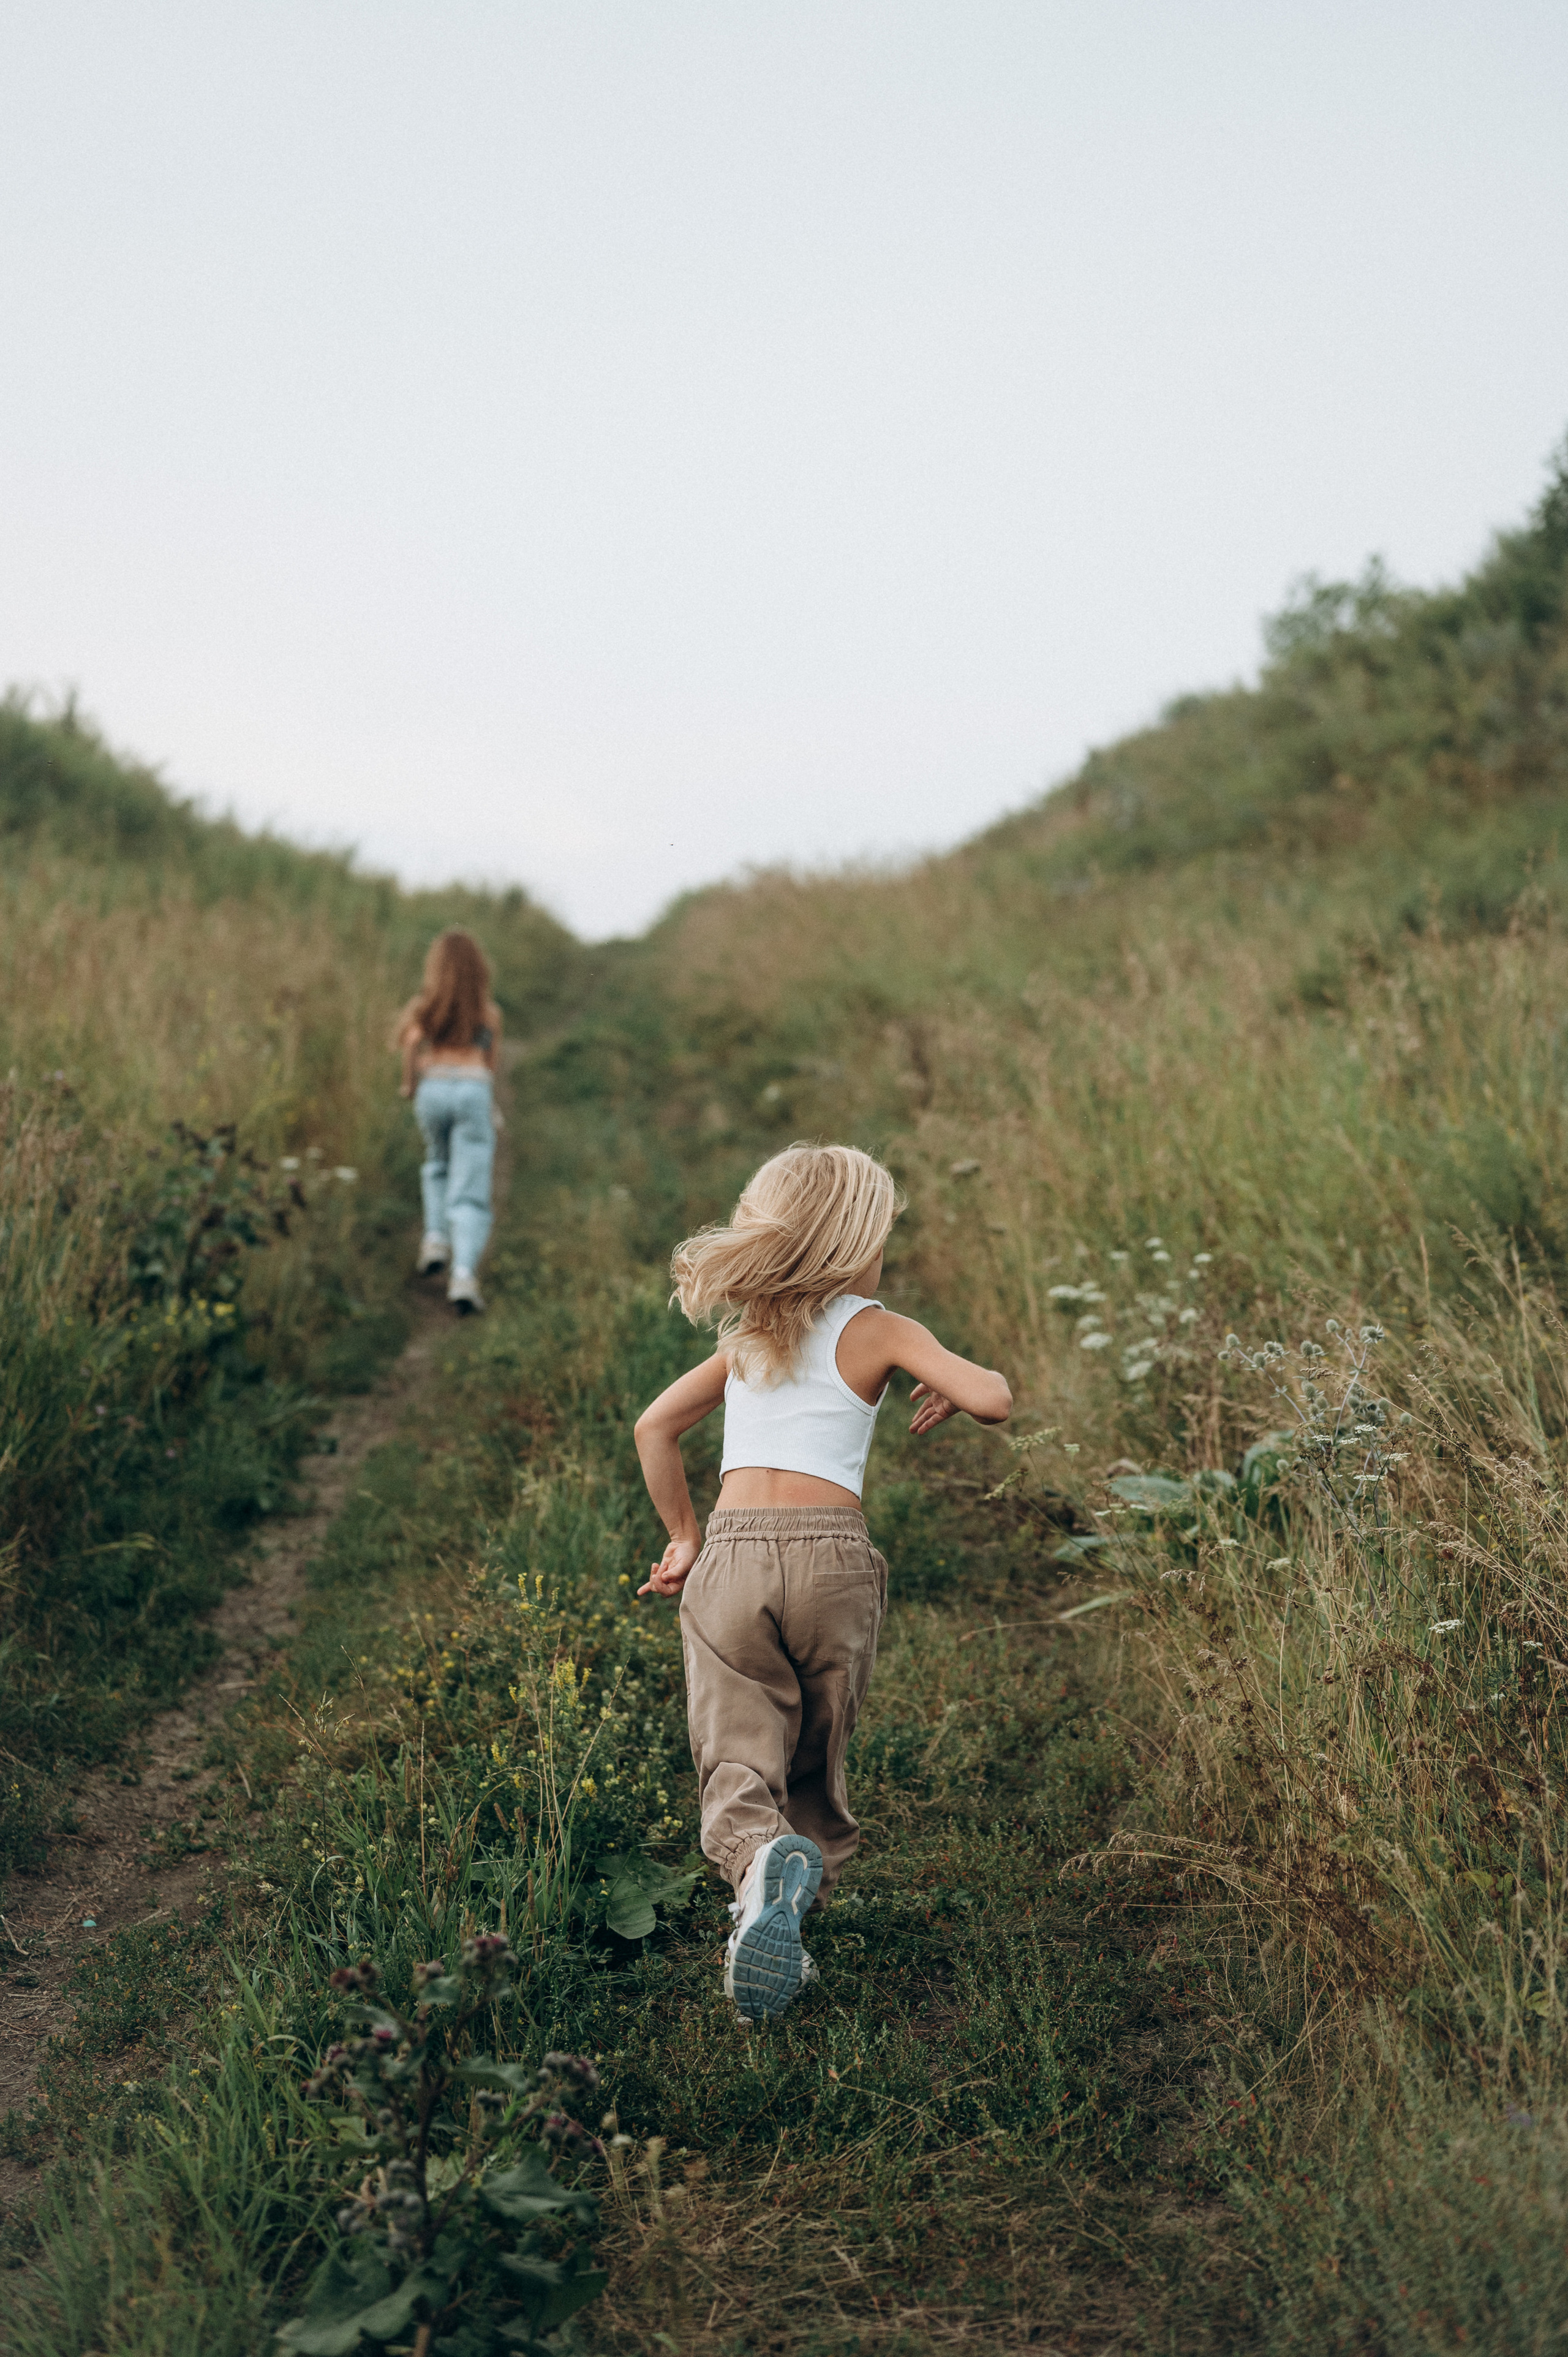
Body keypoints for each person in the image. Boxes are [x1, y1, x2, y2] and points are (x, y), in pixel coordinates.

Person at [633, 1143, 1011, 2021]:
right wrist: (947, 1379)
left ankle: (757, 1866)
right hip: (835, 1561)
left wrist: (684, 1536)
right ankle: (792, 1884)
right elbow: (993, 1398)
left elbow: (655, 1426)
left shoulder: (747, 1339)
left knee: (737, 1739)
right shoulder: (881, 1327)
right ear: (857, 1241)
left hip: (731, 1554)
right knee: (815, 1737)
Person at [395, 928, 502, 1315]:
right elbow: (490, 1066)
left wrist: (410, 1084)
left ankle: (436, 1238)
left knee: (437, 1164)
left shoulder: (425, 1009)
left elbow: (410, 1044)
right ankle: (463, 1277)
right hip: (473, 1091)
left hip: (433, 1090)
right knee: (470, 1188)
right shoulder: (488, 1014)